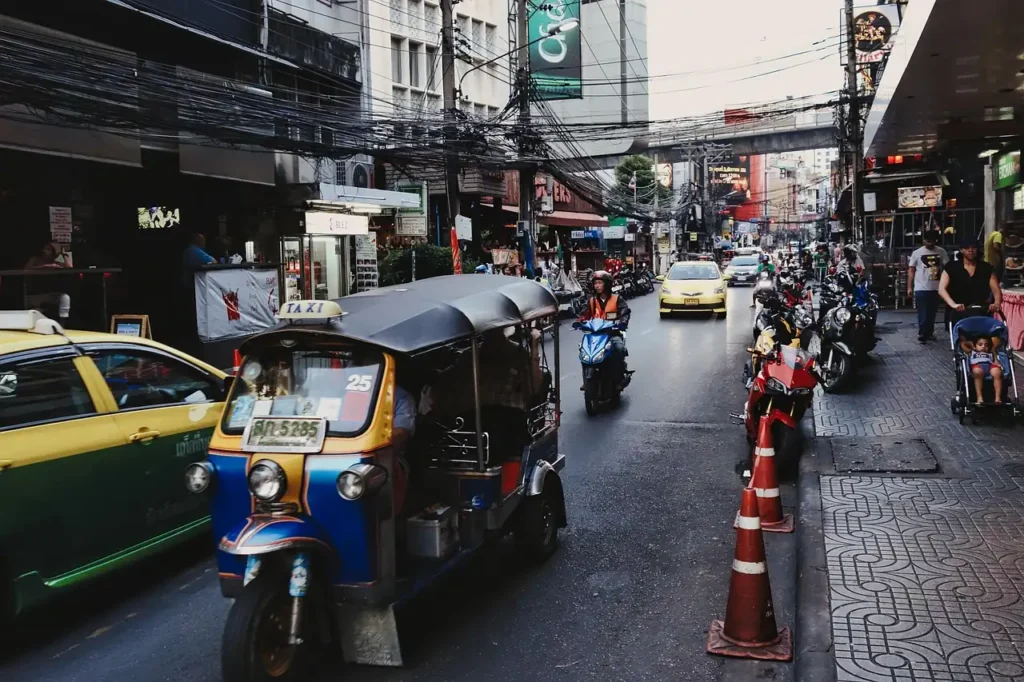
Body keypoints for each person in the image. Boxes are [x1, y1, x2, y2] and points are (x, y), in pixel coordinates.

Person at [577, 270, 630, 374]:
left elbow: (624, 311)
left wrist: (623, 322)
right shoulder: (591, 300)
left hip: (612, 333)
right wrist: (579, 321)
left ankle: (619, 374)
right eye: (595, 283)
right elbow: (584, 313)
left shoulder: (617, 298)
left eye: (600, 283)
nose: (597, 286)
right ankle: (587, 375)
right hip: (594, 333)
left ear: (607, 284)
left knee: (619, 348)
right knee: (583, 351)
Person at [938, 236, 1001, 322]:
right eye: (966, 247)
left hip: (980, 311)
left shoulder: (986, 267)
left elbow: (996, 289)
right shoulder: (951, 267)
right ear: (961, 250)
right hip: (956, 312)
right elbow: (941, 289)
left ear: (977, 249)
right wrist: (953, 304)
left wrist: (996, 303)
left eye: (973, 247)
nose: (970, 250)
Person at [907, 231, 949, 343]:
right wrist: (909, 287)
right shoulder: (917, 253)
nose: (929, 243)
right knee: (923, 311)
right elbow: (911, 270)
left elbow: (947, 268)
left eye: (931, 241)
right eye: (927, 241)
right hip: (921, 287)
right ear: (923, 241)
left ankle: (929, 332)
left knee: (932, 311)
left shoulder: (941, 251)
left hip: (937, 287)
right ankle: (922, 333)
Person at [966, 336, 1004, 405]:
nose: (983, 346)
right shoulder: (972, 352)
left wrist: (994, 351)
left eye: (986, 345)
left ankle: (997, 398)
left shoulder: (991, 353)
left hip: (990, 365)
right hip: (977, 365)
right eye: (980, 344)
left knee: (997, 372)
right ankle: (979, 397)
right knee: (977, 372)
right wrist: (971, 344)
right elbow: (963, 344)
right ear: (975, 346)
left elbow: (995, 360)